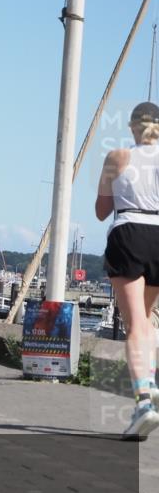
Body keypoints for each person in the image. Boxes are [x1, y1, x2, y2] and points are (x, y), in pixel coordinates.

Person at [95, 101, 159, 439]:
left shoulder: (117, 157)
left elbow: (101, 211)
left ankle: (143, 402)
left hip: (130, 231)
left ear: (133, 127)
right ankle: (149, 377)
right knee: (148, 320)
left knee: (134, 323)